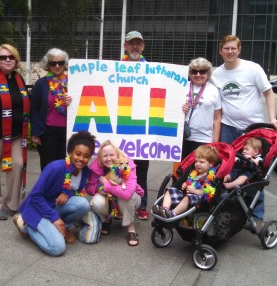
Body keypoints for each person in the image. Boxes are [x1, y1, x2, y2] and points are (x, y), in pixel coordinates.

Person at [211, 34, 277, 220]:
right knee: (227, 169)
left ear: (239, 50)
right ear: (220, 51)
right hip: (228, 128)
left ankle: (256, 216)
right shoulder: (217, 74)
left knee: (255, 171)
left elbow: (268, 93)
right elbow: (216, 104)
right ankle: (228, 208)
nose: (230, 51)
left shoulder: (252, 69)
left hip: (252, 132)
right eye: (226, 48)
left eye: (233, 48)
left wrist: (272, 118)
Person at [12, 131, 95, 256]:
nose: (81, 159)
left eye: (86, 156)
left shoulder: (85, 172)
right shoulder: (55, 168)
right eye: (78, 154)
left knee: (83, 204)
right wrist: (55, 218)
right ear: (70, 152)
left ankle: (61, 227)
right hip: (37, 208)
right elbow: (35, 195)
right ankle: (26, 225)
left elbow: (77, 192)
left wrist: (68, 193)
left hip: (54, 206)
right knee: (57, 248)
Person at [0, 44, 30, 220]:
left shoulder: (18, 79)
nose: (7, 60)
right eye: (3, 57)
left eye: (10, 57)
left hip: (15, 135)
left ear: (15, 60)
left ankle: (12, 204)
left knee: (17, 165)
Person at [88, 140, 144, 246]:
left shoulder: (127, 163)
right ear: (100, 157)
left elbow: (127, 193)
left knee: (127, 197)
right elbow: (89, 188)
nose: (108, 159)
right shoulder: (96, 166)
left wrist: (106, 185)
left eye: (111, 155)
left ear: (117, 155)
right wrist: (97, 190)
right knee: (96, 202)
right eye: (105, 156)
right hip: (108, 198)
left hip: (131, 198)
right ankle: (106, 221)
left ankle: (131, 229)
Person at [122, 31, 149, 220]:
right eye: (131, 43)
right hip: (120, 126)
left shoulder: (151, 69)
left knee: (141, 169)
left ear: (143, 47)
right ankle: (118, 202)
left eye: (138, 44)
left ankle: (142, 204)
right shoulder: (114, 68)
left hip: (143, 128)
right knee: (118, 167)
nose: (134, 47)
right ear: (125, 46)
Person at [30, 48, 72, 171]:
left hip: (68, 132)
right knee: (48, 167)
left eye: (61, 62)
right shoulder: (41, 84)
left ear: (65, 64)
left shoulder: (73, 82)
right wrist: (35, 132)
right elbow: (34, 110)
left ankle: (61, 190)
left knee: (66, 166)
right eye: (53, 63)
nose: (57, 65)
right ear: (48, 65)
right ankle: (47, 190)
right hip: (47, 132)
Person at [152, 145, 219, 218]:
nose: (198, 164)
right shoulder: (193, 172)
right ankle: (164, 209)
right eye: (196, 161)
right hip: (186, 195)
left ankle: (172, 213)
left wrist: (194, 191)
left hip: (199, 200)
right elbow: (189, 182)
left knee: (187, 198)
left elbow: (205, 193)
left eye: (202, 162)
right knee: (170, 190)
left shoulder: (210, 177)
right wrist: (185, 184)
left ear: (211, 164)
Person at [181, 57, 221, 159]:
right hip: (182, 137)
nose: (198, 75)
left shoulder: (213, 90)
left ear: (207, 73)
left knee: (201, 170)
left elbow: (217, 118)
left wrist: (215, 142)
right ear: (190, 73)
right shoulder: (182, 86)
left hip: (204, 138)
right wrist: (180, 110)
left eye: (202, 71)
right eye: (194, 71)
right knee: (181, 171)